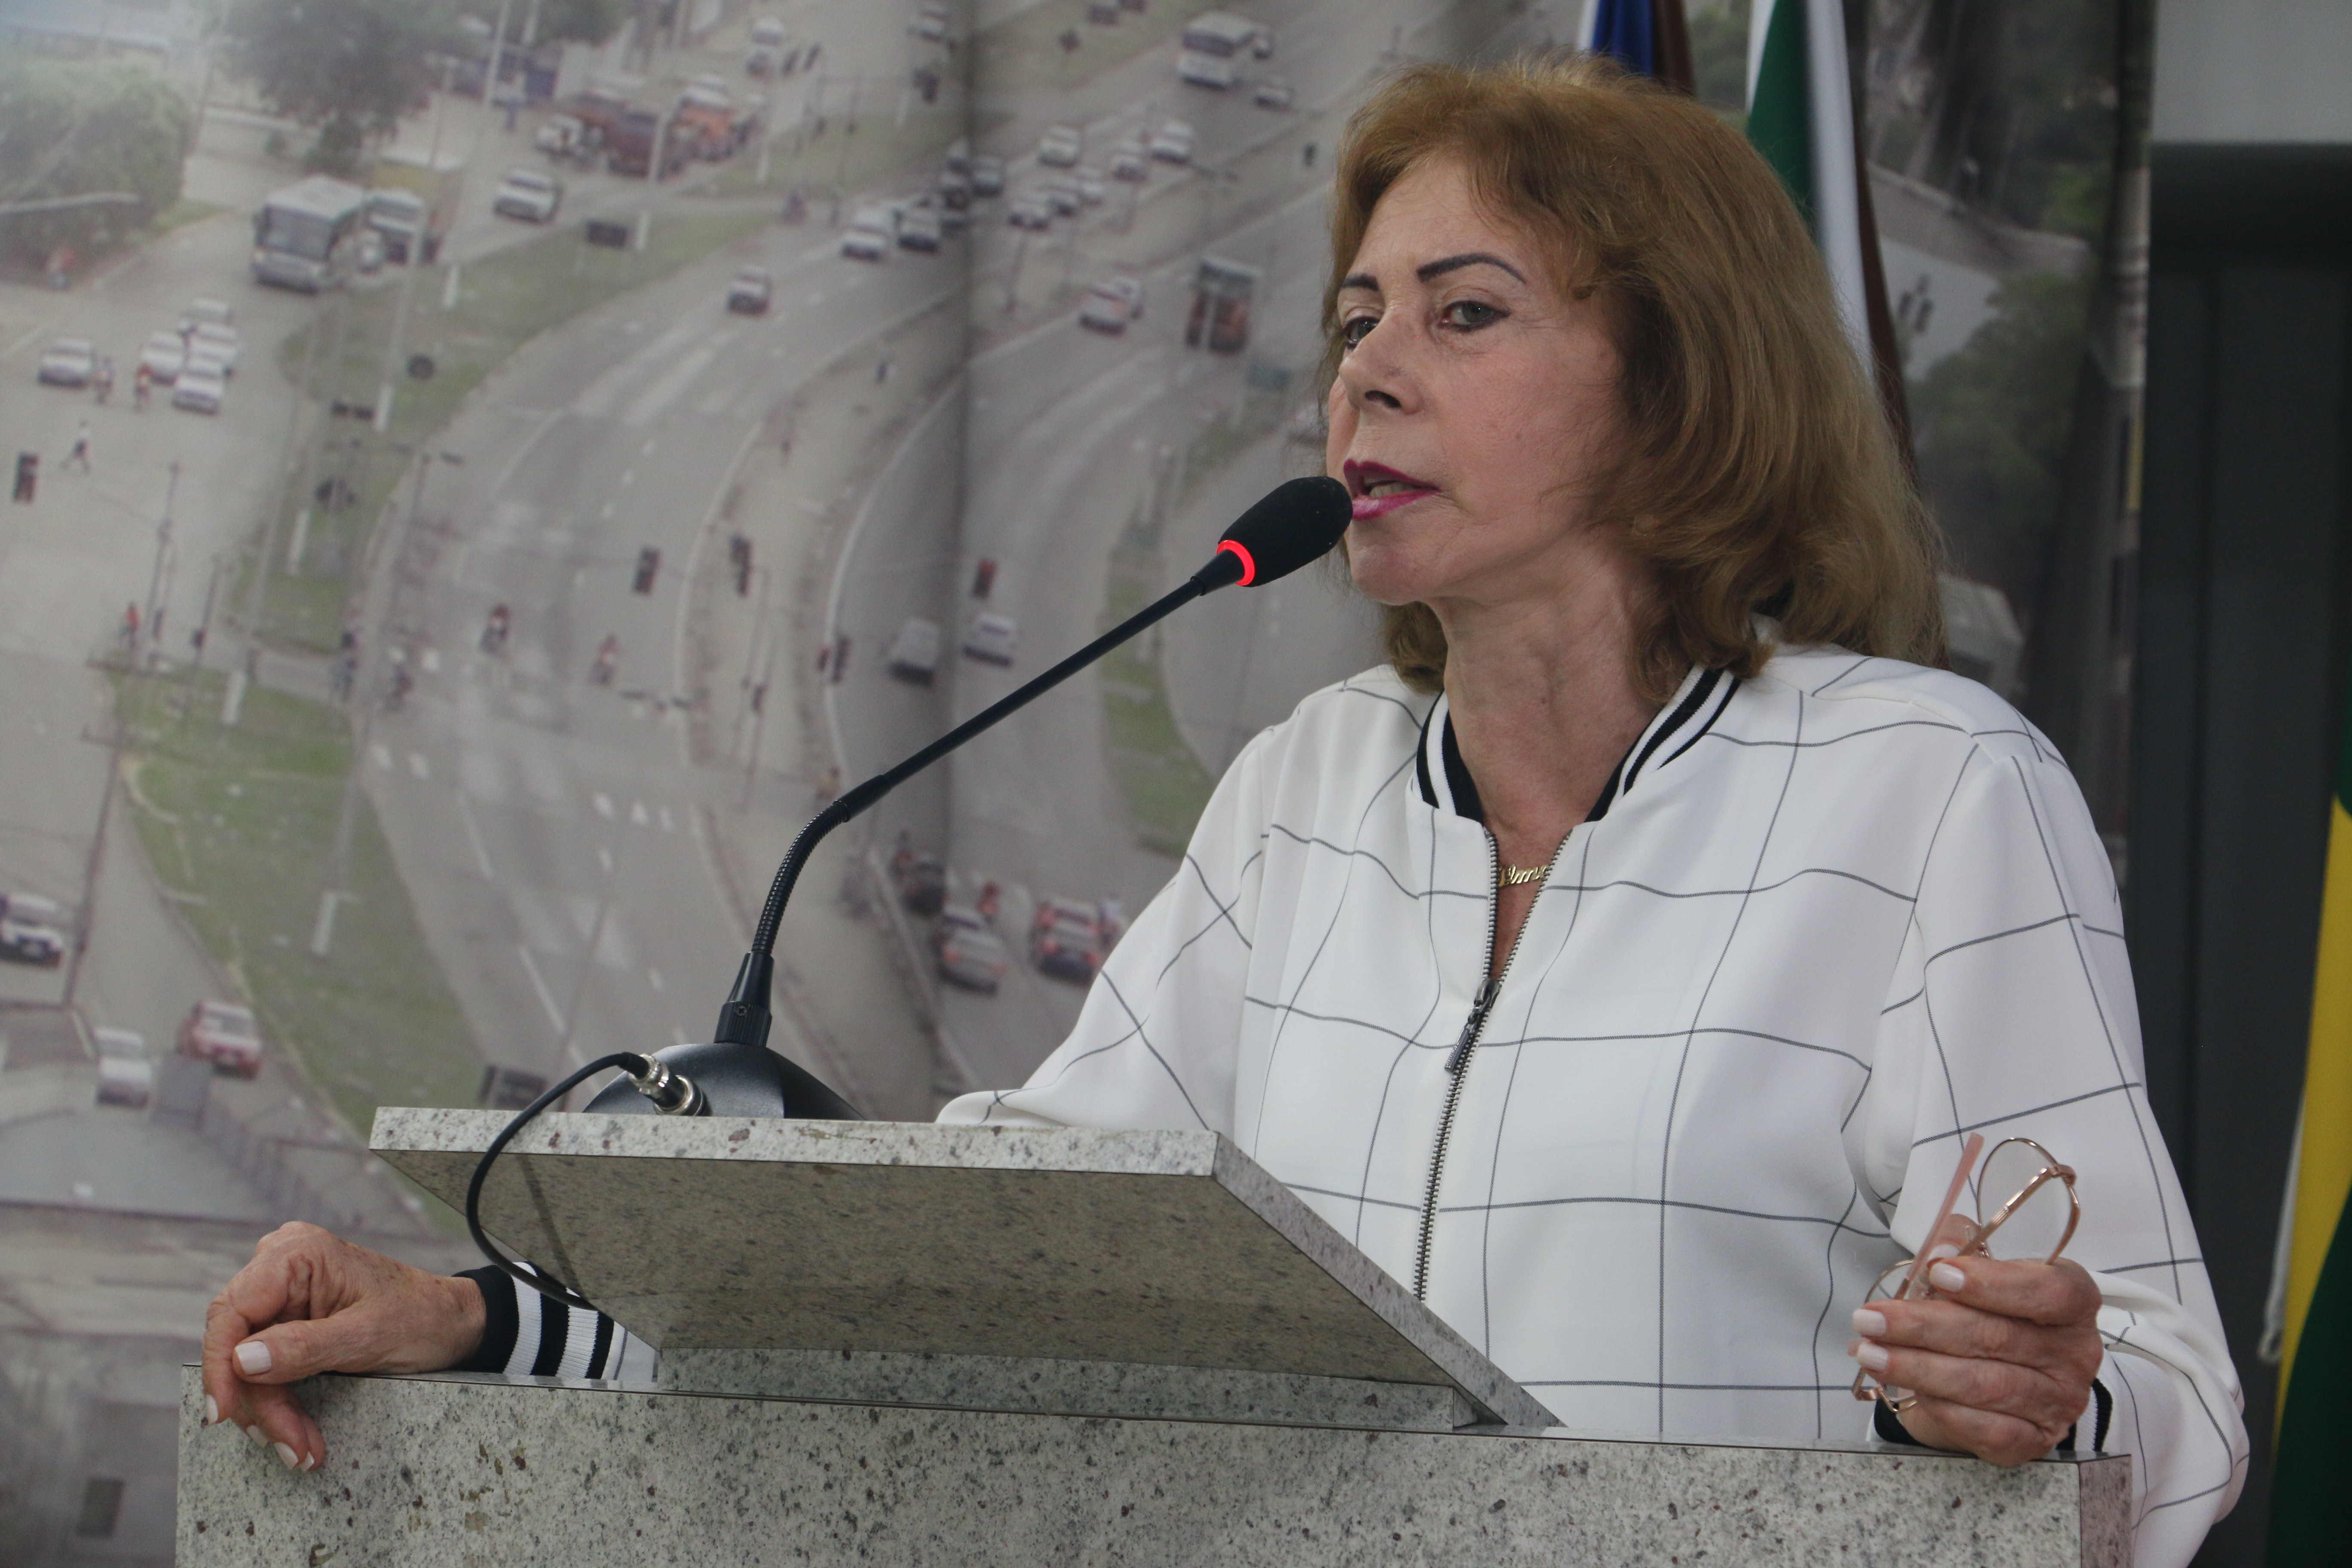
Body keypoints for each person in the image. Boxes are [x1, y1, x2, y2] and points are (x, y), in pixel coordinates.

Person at [196, 58, 2243, 1565]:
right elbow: (981, 1284)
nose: (1368, 376)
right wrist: (484, 1323)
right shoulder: (1310, 795)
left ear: (1677, 383)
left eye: (1464, 313)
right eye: (1357, 320)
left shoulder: (1925, 792)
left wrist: (2042, 1403)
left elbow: (2165, 1395)